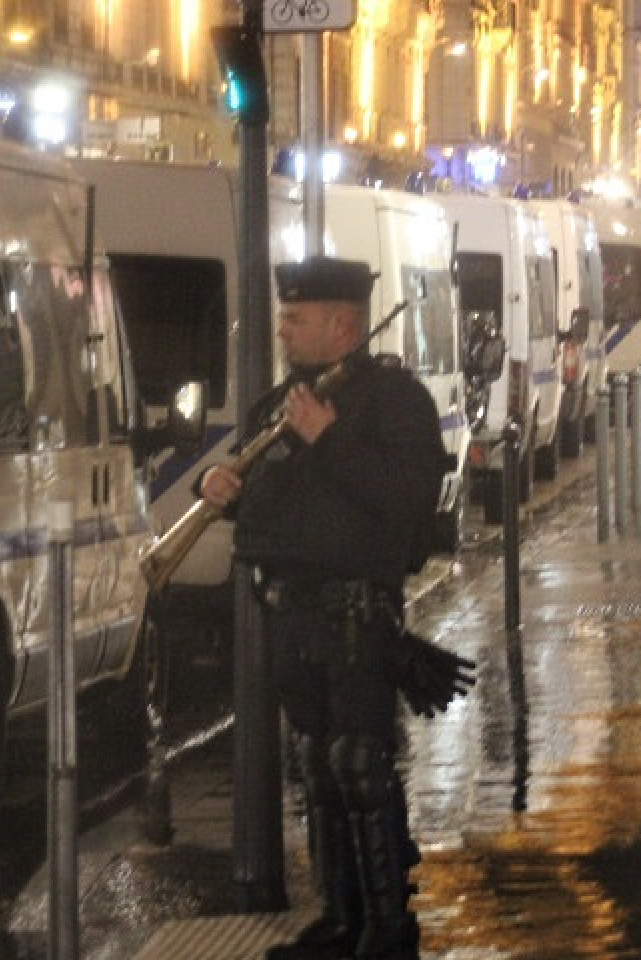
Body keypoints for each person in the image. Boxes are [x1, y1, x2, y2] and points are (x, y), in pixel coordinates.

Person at [199, 256, 463, 960]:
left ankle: (387, 926)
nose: (283, 329)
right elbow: (266, 504)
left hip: (355, 614)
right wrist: (218, 486)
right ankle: (341, 916)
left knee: (358, 761)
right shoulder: (277, 406)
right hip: (289, 614)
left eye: (297, 318)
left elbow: (405, 496)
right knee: (317, 763)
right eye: (285, 316)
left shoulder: (391, 400)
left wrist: (329, 437)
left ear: (343, 326)